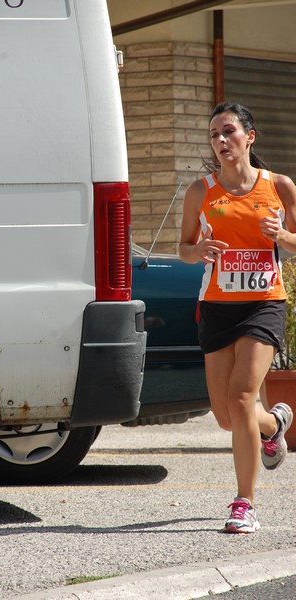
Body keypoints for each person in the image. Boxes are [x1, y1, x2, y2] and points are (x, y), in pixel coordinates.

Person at [179, 101, 296, 534]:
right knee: (227, 416)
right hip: (216, 306)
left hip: (264, 302)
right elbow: (184, 248)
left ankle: (244, 503)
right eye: (214, 135)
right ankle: (275, 424)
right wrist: (200, 252)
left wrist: (282, 235)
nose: (221, 141)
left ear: (250, 136)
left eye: (228, 131)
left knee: (243, 398)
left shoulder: (280, 186)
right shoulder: (201, 191)